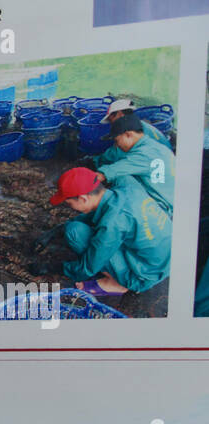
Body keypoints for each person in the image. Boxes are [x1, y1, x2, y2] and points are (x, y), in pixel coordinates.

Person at [31, 167, 172, 296]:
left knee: (74, 232)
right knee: (79, 226)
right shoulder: (126, 189)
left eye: (69, 203)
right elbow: (100, 213)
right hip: (163, 258)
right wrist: (54, 231)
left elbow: (87, 268)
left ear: (83, 198)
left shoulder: (111, 224)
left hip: (143, 275)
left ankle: (118, 283)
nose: (71, 207)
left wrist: (49, 267)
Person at [85, 114, 175, 215]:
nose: (117, 145)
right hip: (170, 198)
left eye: (116, 141)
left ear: (128, 135)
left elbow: (109, 172)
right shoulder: (153, 146)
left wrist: (79, 184)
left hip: (163, 207)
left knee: (122, 178)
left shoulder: (144, 154)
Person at [101, 98, 171, 148]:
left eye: (111, 119)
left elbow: (117, 154)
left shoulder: (129, 132)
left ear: (120, 114)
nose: (111, 123)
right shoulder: (140, 124)